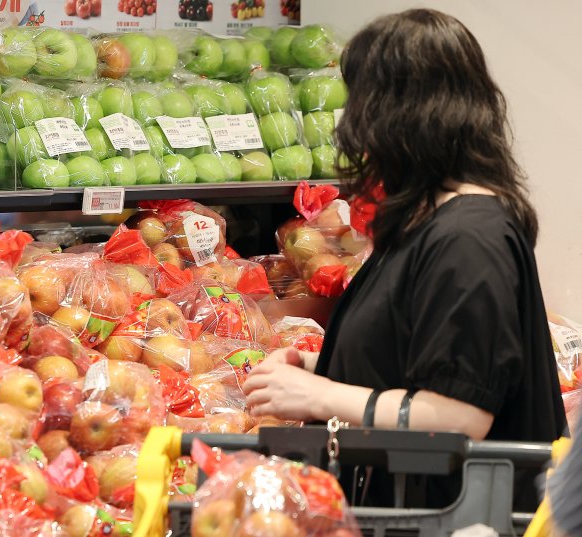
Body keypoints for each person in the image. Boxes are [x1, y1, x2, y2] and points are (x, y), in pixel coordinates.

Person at [243, 8, 566, 511]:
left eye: (360, 101)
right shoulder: (430, 219)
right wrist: (318, 366)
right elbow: (414, 359)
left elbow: (460, 415)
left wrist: (317, 396)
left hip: (454, 514)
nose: (351, 124)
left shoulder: (469, 239)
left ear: (400, 114)